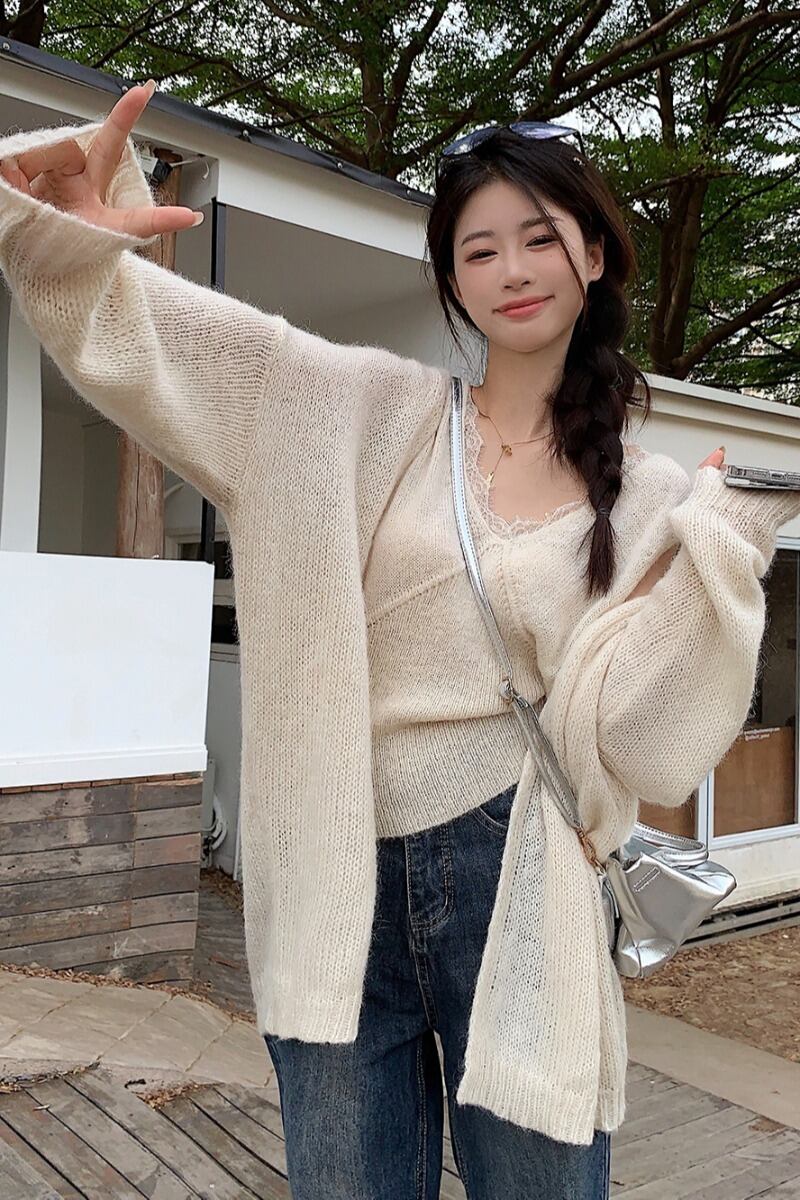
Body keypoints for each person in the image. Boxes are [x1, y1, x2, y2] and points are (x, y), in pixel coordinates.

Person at [1, 84, 797, 1200]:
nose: (512, 268)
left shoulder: (651, 496)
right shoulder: (360, 408)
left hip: (519, 872)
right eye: (478, 249)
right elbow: (168, 353)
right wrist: (73, 242)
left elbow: (650, 747)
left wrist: (731, 534)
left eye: (539, 237)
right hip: (334, 867)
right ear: (452, 281)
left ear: (594, 254)